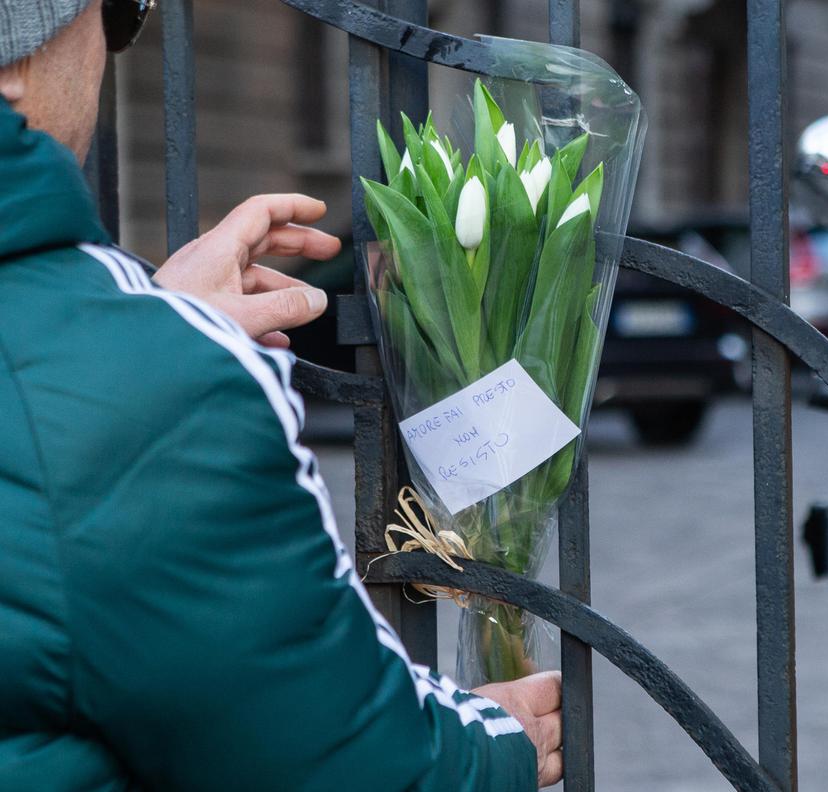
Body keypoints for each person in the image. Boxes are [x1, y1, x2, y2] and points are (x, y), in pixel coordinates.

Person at [0, 1, 563, 789]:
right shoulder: (140, 389)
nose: (110, 50)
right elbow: (342, 759)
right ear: (18, 63)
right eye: (115, 15)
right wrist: (497, 747)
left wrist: (149, 323)